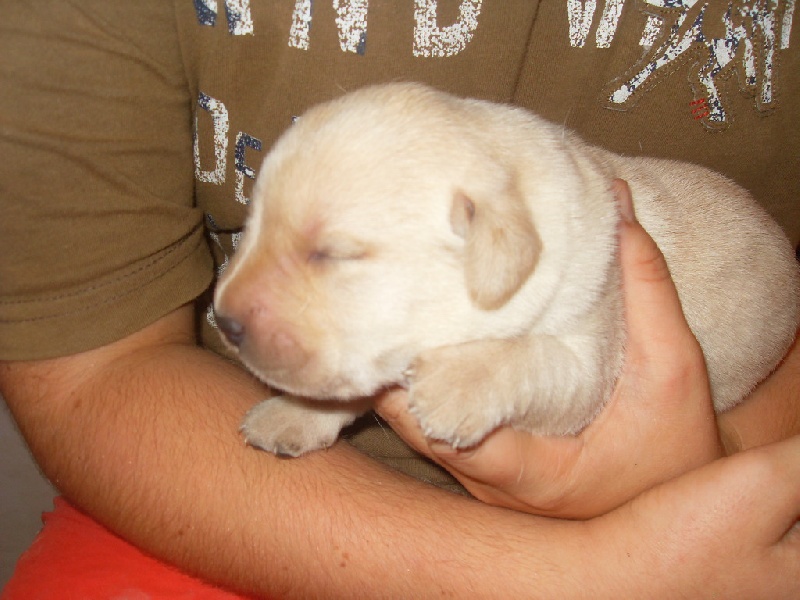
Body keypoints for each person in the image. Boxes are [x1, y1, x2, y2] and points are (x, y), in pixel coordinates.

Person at [1, 1, 798, 597]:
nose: (232, 300)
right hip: (235, 494)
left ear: (494, 245)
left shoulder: (549, 234)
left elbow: (576, 374)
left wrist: (508, 379)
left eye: (328, 253)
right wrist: (588, 576)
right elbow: (92, 381)